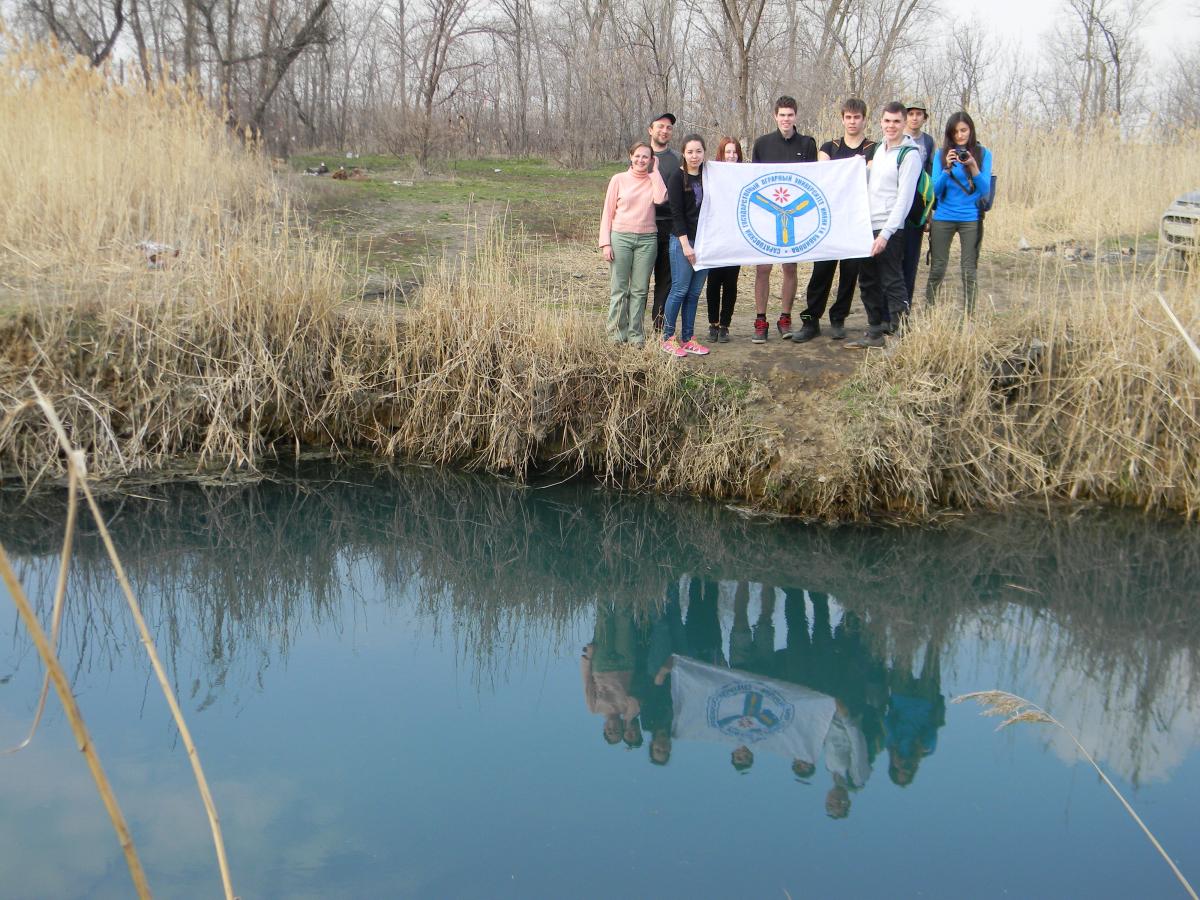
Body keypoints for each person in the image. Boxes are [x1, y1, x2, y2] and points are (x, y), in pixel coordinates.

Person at [792, 98, 877, 344]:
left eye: (857, 117)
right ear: (842, 119)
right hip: (829, 220)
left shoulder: (873, 147)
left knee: (850, 272)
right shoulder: (829, 147)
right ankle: (811, 320)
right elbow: (825, 175)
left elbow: (867, 174)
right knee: (822, 271)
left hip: (856, 219)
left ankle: (838, 317)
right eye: (848, 117)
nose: (852, 122)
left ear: (863, 119)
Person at [845, 102, 921, 349]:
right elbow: (871, 185)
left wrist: (886, 234)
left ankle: (902, 333)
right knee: (867, 281)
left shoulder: (909, 155)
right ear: (881, 122)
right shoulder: (878, 150)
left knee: (891, 280)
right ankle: (874, 331)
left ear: (904, 123)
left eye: (896, 122)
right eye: (887, 121)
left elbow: (904, 200)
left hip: (890, 229)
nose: (891, 126)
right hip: (867, 225)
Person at [750, 96, 818, 343]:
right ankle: (760, 320)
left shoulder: (808, 144)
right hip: (767, 216)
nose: (786, 119)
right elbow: (753, 181)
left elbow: (813, 181)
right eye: (782, 115)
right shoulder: (762, 144)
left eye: (790, 115)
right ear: (775, 116)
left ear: (796, 116)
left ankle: (785, 317)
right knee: (763, 268)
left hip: (795, 216)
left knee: (790, 267)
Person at [598, 141, 668, 345]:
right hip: (620, 237)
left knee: (640, 290)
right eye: (637, 156)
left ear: (651, 160)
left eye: (646, 157)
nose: (641, 160)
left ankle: (636, 334)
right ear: (631, 156)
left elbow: (661, 198)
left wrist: (655, 172)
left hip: (647, 240)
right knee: (619, 289)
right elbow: (607, 212)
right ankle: (616, 334)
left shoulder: (653, 179)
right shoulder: (618, 180)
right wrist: (606, 243)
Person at [925, 111, 992, 312]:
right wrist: (946, 168)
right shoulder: (941, 154)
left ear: (971, 130)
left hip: (970, 218)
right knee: (937, 269)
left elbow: (985, 190)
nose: (960, 135)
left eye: (964, 130)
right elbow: (934, 190)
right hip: (944, 217)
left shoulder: (983, 154)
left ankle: (969, 315)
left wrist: (972, 165)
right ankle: (930, 312)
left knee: (969, 270)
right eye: (955, 132)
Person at [661, 134, 711, 357]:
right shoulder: (676, 177)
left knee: (694, 293)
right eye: (690, 152)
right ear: (683, 153)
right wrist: (685, 245)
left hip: (706, 243)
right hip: (684, 241)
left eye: (698, 151)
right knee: (680, 290)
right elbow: (676, 214)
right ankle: (668, 338)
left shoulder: (709, 176)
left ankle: (688, 337)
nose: (694, 156)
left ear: (704, 153)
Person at [704, 137, 745, 343]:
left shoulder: (745, 175)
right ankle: (713, 323)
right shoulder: (711, 174)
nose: (731, 156)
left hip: (736, 237)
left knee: (730, 283)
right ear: (721, 153)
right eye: (728, 152)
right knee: (713, 281)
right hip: (715, 235)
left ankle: (725, 324)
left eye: (735, 152)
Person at [647, 113, 681, 334]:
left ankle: (659, 330)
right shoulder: (641, 156)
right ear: (651, 130)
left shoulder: (678, 159)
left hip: (669, 227)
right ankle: (632, 331)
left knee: (665, 283)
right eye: (660, 126)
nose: (665, 131)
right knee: (639, 283)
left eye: (669, 128)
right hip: (643, 226)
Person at [901, 101, 936, 305]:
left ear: (925, 118)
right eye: (911, 113)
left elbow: (930, 179)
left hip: (918, 206)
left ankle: (906, 304)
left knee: (911, 260)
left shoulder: (929, 142)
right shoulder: (894, 137)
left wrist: (929, 215)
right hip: (895, 206)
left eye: (919, 114)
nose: (914, 118)